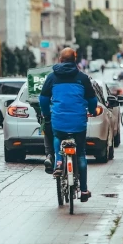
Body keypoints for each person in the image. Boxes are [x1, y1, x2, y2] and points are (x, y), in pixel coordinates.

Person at [39, 47, 98, 202]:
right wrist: (91, 110)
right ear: (75, 59)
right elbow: (92, 100)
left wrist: (46, 114)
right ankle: (84, 191)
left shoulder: (52, 77)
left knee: (57, 137)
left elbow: (43, 99)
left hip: (59, 120)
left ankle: (59, 163)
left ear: (60, 59)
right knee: (80, 154)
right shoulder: (83, 78)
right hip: (78, 121)